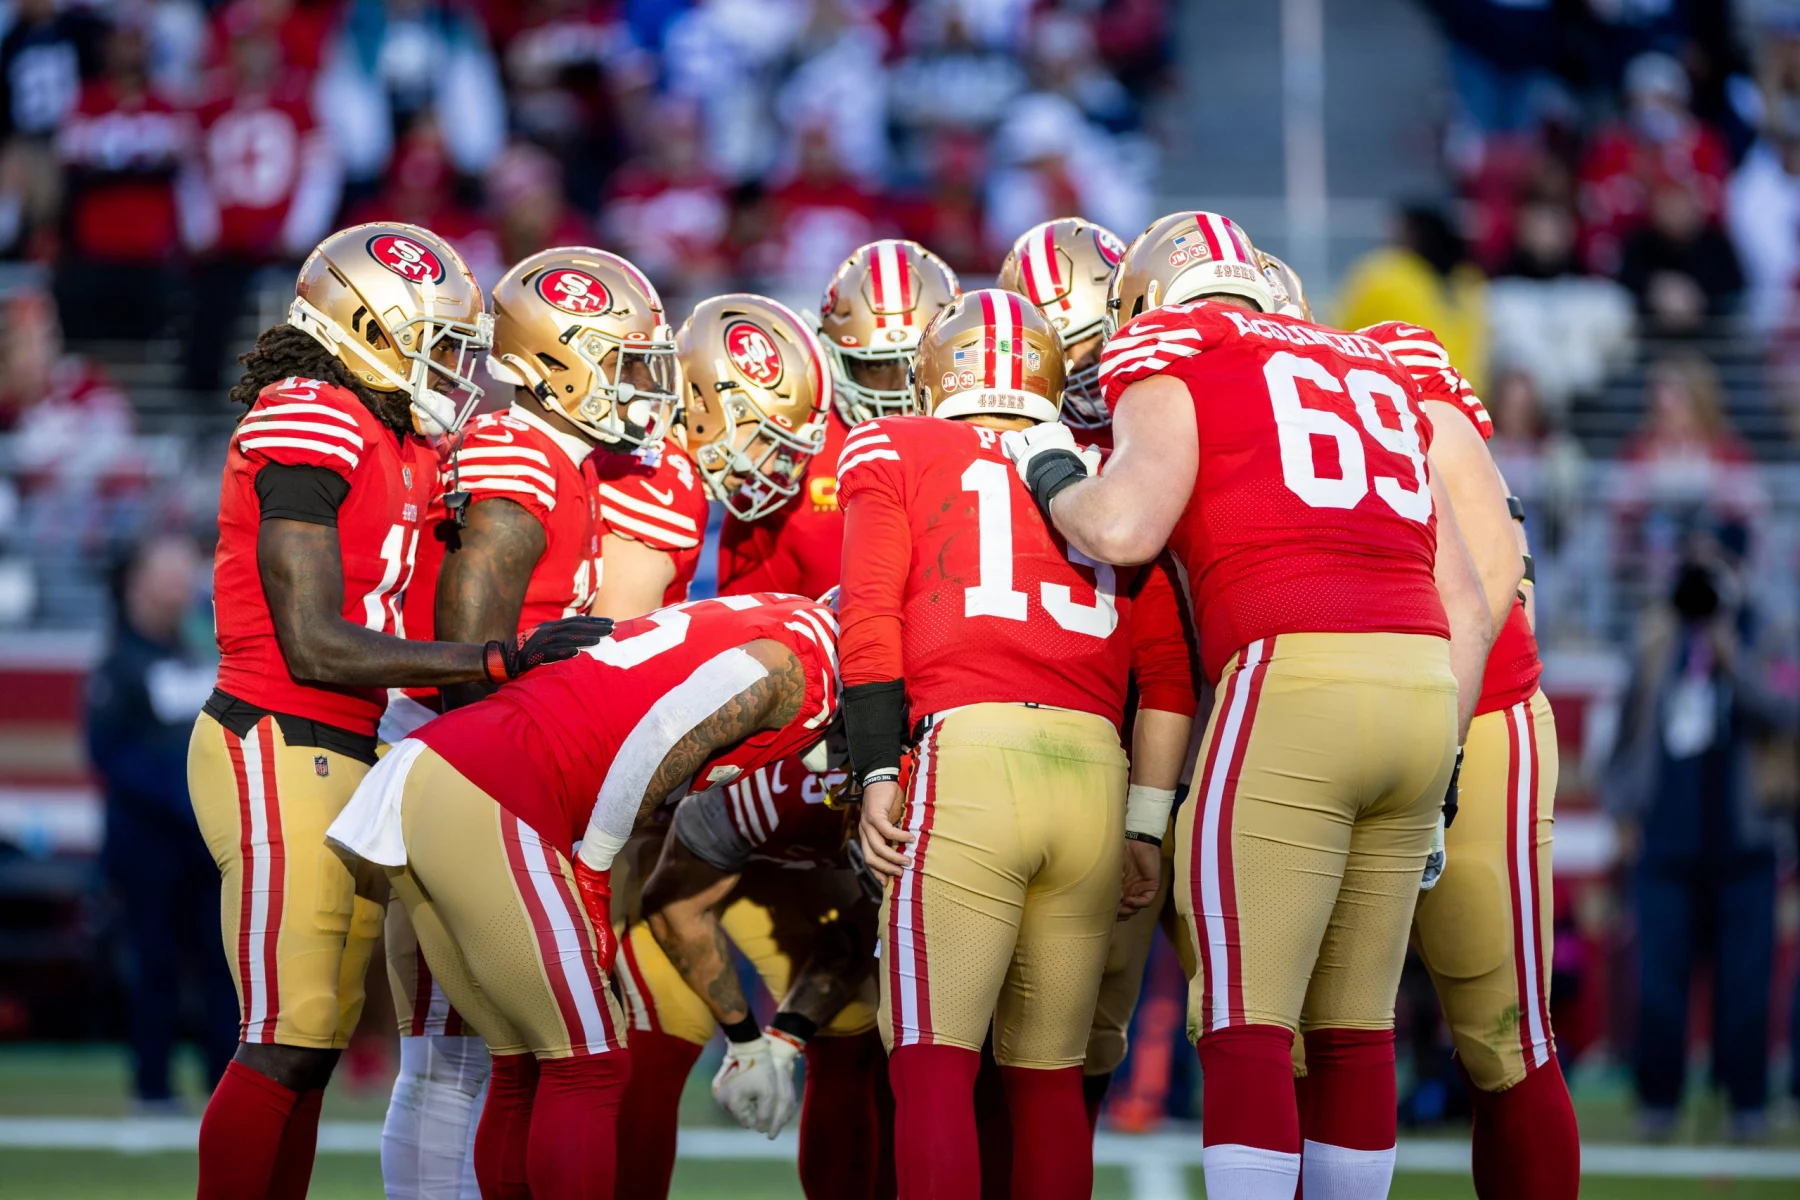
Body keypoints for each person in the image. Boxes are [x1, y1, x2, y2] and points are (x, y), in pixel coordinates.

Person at [1002, 211, 1492, 1199]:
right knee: (1354, 1029)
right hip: (1425, 694)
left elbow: (1122, 527)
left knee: (1246, 1020)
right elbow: (1471, 606)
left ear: (1149, 299)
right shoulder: (1371, 361)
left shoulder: (1176, 346)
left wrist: (1049, 464)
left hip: (1291, 682)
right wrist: (1444, 778)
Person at [186, 221, 608, 1199]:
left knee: (317, 1044)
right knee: (284, 1036)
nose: (454, 367)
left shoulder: (398, 434)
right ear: (368, 328)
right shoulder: (313, 413)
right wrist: (496, 657)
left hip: (349, 745)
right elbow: (313, 640)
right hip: (276, 730)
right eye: (437, 342)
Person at [326, 592, 844, 1200]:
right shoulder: (805, 656)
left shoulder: (784, 618)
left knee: (524, 1065)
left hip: (447, 768)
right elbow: (667, 730)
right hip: (498, 782)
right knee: (589, 1064)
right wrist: (595, 875)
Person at [376, 245, 683, 1200]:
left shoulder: (564, 458)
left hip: (485, 761)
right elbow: (471, 646)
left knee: (484, 1050)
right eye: (622, 362)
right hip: (468, 760)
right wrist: (505, 787)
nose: (640, 386)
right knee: (451, 1049)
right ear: (558, 361)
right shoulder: (518, 449)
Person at [840, 288, 1147, 1200]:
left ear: (939, 373)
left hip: (969, 755)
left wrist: (874, 769)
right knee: (1049, 1078)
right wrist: (1149, 822)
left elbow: (870, 621)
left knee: (934, 1064)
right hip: (1097, 768)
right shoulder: (1101, 466)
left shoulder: (894, 444)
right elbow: (1166, 666)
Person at [612, 290, 842, 1198]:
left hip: (761, 768)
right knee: (592, 1041)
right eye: (767, 436)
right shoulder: (657, 483)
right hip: (655, 777)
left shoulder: (733, 487)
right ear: (703, 403)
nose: (780, 463)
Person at [1363, 320, 1580, 1198]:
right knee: (1337, 1030)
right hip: (1372, 725)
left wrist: (1441, 752)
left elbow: (1492, 596)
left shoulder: (1436, 427)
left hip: (1479, 723)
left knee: (1504, 1038)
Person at [624, 747, 887, 1198]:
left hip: (805, 827)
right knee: (665, 1026)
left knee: (852, 1027)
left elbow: (860, 929)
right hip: (661, 824)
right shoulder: (759, 791)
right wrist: (745, 1042)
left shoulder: (897, 798)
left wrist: (786, 1039)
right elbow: (672, 906)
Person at [1605, 525, 1796, 1142]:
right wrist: (1622, 813)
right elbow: (1625, 730)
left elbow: (1784, 712)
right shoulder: (1656, 639)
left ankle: (1746, 1104)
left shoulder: (1766, 632)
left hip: (1746, 842)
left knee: (1746, 986)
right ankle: (1657, 1102)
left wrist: (1730, 655)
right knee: (1658, 983)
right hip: (1666, 841)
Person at [714, 239, 960, 599]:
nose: (900, 388)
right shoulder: (791, 449)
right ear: (832, 355)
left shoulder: (997, 436)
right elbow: (747, 615)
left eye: (916, 364)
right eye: (876, 366)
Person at [87, 533, 235, 1110]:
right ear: (137, 584)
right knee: (155, 962)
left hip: (209, 841)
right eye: (167, 574)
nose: (180, 586)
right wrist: (178, 797)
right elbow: (108, 752)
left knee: (223, 963)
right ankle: (152, 1086)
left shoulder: (203, 652)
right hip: (148, 842)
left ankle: (224, 1085)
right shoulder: (119, 662)